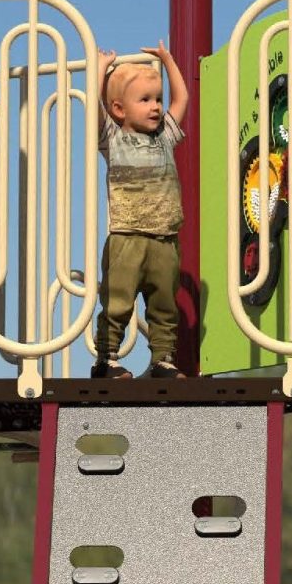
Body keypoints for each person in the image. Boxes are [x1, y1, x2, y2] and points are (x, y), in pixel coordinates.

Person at [90, 44, 190, 379]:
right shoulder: (113, 139)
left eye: (157, 99)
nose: (156, 107)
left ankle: (163, 359)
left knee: (164, 304)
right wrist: (99, 71)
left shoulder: (164, 137)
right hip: (127, 235)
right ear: (118, 109)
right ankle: (107, 359)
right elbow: (94, 110)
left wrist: (168, 60)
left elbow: (182, 101)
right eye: (145, 100)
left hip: (165, 236)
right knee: (118, 301)